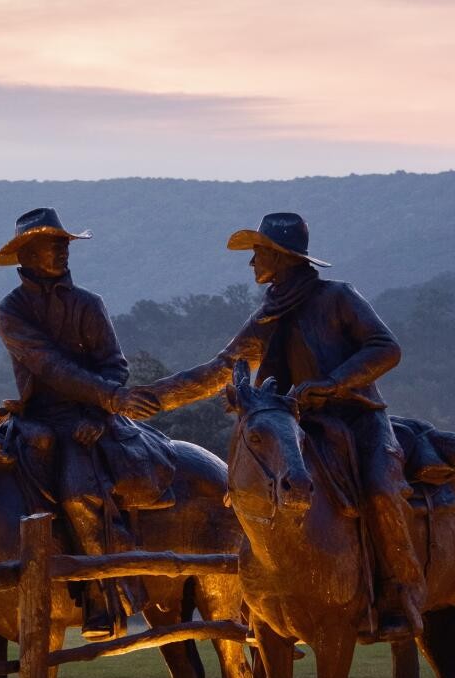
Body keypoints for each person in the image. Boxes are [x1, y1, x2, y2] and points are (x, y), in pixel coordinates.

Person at [119, 211, 426, 640]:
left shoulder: (338, 297)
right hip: (300, 423)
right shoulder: (268, 316)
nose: (252, 263)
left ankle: (400, 592)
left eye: (258, 253)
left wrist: (332, 383)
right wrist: (151, 399)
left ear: (281, 258)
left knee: (379, 489)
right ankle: (268, 593)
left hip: (358, 418)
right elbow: (221, 369)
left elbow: (386, 348)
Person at [0, 207, 171, 636]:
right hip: (37, 419)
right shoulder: (11, 311)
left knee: (78, 494)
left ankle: (107, 595)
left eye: (65, 243)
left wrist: (98, 410)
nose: (63, 250)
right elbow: (49, 366)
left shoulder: (89, 305)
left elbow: (114, 364)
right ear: (28, 253)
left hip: (86, 421)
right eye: (53, 243)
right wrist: (109, 396)